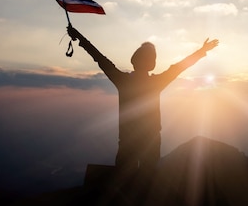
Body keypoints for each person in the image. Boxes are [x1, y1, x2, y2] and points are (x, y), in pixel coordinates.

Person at [67, 25, 219, 173]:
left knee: (124, 182)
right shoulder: (156, 82)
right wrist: (202, 51)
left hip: (128, 142)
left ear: (134, 60)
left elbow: (99, 58)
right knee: (146, 183)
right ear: (152, 64)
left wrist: (79, 37)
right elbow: (179, 67)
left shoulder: (123, 80)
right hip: (151, 143)